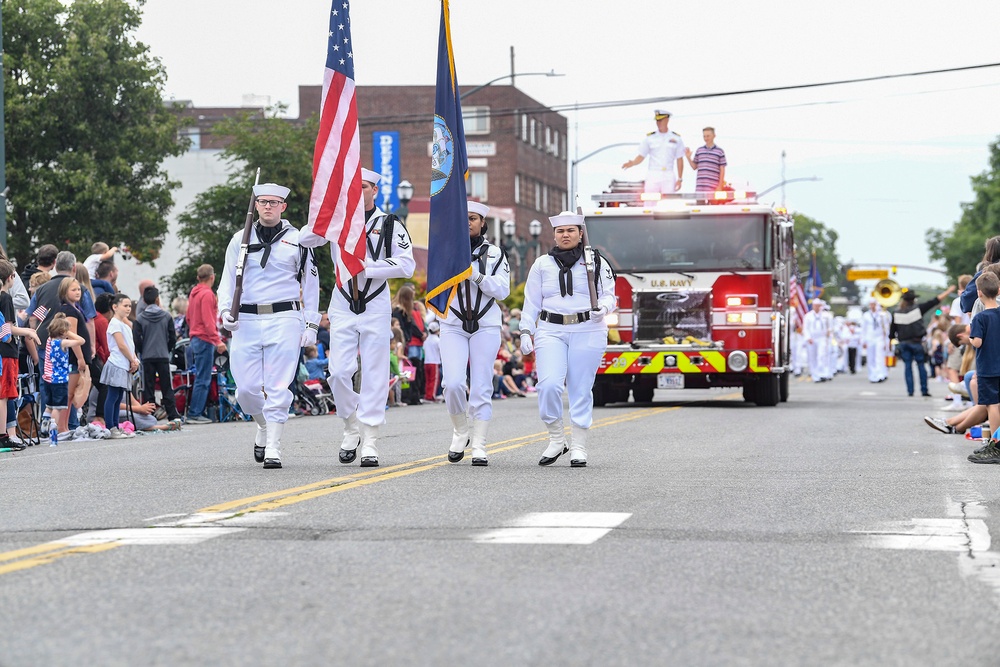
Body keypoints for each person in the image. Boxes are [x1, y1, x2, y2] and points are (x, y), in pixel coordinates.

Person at [300, 168, 415, 468]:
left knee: (375, 373)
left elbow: (407, 265)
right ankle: (351, 423)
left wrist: (368, 267)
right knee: (338, 372)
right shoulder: (339, 222)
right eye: (352, 187)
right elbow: (305, 238)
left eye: (362, 187)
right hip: (342, 301)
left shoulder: (389, 224)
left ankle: (371, 439)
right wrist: (329, 214)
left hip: (375, 302)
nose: (357, 191)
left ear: (374, 191)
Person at [218, 182, 321, 469]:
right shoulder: (240, 239)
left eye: (273, 203)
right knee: (246, 389)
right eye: (262, 202)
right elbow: (227, 281)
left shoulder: (299, 239)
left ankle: (274, 445)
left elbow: (311, 283)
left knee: (278, 385)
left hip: (284, 317)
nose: (267, 207)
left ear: (283, 207)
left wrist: (311, 323)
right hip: (247, 319)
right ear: (256, 205)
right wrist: (225, 310)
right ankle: (262, 423)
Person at [519, 211, 617, 467]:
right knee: (549, 385)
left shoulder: (596, 261)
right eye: (560, 231)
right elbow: (531, 302)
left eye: (571, 230)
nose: (565, 235)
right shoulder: (542, 264)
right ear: (554, 235)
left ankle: (579, 446)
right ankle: (556, 438)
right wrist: (525, 330)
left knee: (580, 389)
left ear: (580, 233)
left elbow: (610, 295)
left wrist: (603, 309)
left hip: (588, 328)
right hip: (551, 329)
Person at [439, 200, 511, 466]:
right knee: (453, 383)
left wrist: (476, 276)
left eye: (473, 218)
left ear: (482, 223)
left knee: (481, 385)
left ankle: (479, 443)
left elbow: (503, 290)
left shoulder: (494, 253)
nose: (467, 223)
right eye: (463, 218)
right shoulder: (445, 250)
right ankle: (460, 430)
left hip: (485, 323)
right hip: (453, 323)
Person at [0, 260, 40, 448]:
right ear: (11, 278)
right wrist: (23, 332)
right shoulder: (6, 298)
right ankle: (5, 434)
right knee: (6, 393)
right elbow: (6, 329)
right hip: (6, 351)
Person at [890, 285, 956, 397]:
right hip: (916, 342)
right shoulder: (918, 309)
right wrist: (949, 291)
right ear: (913, 299)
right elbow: (934, 301)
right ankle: (924, 390)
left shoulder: (897, 313)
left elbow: (892, 332)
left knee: (907, 366)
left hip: (904, 343)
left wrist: (890, 343)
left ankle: (910, 391)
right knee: (921, 366)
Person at [134, 286, 182, 426]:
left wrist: (142, 351)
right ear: (157, 299)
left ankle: (149, 415)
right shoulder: (166, 316)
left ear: (144, 300)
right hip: (162, 355)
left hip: (147, 357)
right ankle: (172, 414)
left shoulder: (140, 318)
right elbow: (172, 337)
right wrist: (166, 349)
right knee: (166, 386)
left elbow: (137, 339)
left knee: (148, 387)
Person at [186, 264, 227, 424]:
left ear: (198, 277)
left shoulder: (194, 293)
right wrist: (217, 340)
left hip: (195, 337)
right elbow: (209, 320)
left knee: (199, 376)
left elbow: (189, 318)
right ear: (212, 277)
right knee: (203, 378)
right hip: (205, 338)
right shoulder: (208, 294)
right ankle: (195, 413)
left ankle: (195, 412)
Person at [967, 272, 1000, 463]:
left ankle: (996, 444)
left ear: (979, 294)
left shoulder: (980, 319)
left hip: (988, 368)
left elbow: (977, 342)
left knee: (992, 404)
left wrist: (972, 337)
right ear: (998, 291)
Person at [56, 277, 93, 433]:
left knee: (69, 395)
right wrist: (80, 358)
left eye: (79, 289)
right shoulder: (69, 310)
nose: (78, 292)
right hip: (72, 358)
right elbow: (72, 335)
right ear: (65, 292)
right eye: (73, 289)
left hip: (73, 357)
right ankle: (61, 427)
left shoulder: (74, 308)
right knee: (68, 394)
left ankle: (63, 426)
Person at [100, 293, 138, 439]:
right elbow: (121, 345)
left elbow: (130, 345)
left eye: (129, 306)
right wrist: (132, 360)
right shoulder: (114, 323)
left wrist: (134, 360)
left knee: (119, 396)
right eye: (125, 305)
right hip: (116, 363)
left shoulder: (124, 324)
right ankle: (111, 427)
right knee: (113, 395)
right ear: (115, 307)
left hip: (124, 364)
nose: (128, 308)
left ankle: (116, 425)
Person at [42, 313, 85, 439]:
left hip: (48, 378)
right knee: (58, 408)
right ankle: (53, 431)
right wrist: (69, 333)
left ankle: (44, 427)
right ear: (63, 331)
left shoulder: (49, 341)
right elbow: (81, 341)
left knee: (49, 406)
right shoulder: (62, 343)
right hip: (59, 380)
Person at [622, 110, 685, 193]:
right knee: (649, 201)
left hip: (668, 174)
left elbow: (679, 159)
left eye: (660, 120)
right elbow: (641, 155)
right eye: (657, 121)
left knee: (668, 202)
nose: (658, 123)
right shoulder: (650, 138)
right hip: (653, 173)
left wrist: (680, 179)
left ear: (667, 120)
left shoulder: (676, 138)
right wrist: (633, 163)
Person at [392, 285, 426, 406]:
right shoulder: (399, 311)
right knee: (409, 370)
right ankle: (409, 396)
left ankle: (413, 396)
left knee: (411, 370)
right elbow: (405, 327)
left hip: (407, 341)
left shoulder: (402, 311)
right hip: (405, 343)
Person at [684, 127, 727, 193]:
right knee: (700, 203)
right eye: (704, 136)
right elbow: (694, 167)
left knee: (713, 203)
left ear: (714, 136)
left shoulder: (720, 151)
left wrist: (720, 186)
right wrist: (688, 158)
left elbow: (722, 170)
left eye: (708, 136)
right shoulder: (699, 150)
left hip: (713, 187)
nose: (706, 138)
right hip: (700, 188)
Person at [861, 300, 891, 383]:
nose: (872, 306)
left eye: (874, 304)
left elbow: (886, 329)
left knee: (879, 356)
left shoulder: (883, 315)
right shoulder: (866, 315)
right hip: (869, 338)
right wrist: (863, 341)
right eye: (871, 304)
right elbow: (863, 329)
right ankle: (872, 375)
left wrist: (886, 341)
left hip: (880, 338)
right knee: (870, 358)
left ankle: (880, 374)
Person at [802, 299, 830, 383]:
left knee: (821, 356)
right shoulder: (808, 316)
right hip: (812, 338)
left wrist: (828, 334)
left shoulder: (826, 315)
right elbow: (805, 328)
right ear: (813, 306)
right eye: (815, 305)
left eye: (818, 306)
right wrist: (808, 338)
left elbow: (829, 327)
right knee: (812, 357)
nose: (817, 307)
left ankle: (822, 374)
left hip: (821, 338)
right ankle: (815, 376)